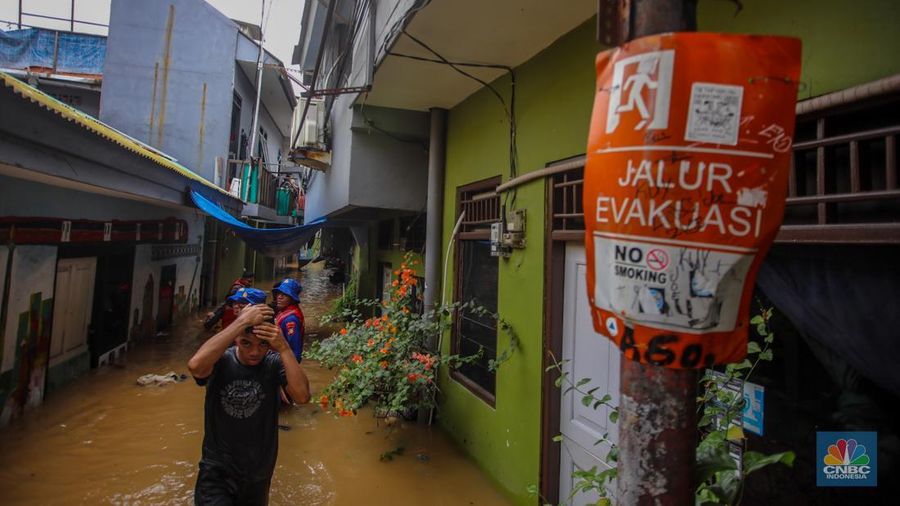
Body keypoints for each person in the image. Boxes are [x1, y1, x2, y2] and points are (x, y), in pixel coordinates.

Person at [187, 303, 310, 505]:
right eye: (246, 343)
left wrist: (284, 347)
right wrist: (241, 321)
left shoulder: (273, 363)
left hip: (258, 473)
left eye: (262, 345)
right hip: (218, 471)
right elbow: (195, 366)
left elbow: (302, 396)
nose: (254, 352)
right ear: (236, 339)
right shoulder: (221, 361)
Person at [272, 279, 304, 362]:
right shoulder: (284, 310)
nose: (279, 297)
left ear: (292, 298)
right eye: (279, 293)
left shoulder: (291, 320)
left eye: (284, 294)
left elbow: (296, 352)